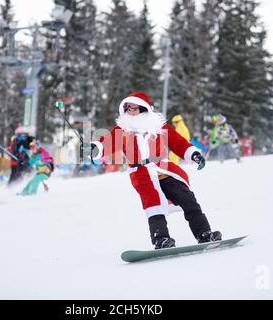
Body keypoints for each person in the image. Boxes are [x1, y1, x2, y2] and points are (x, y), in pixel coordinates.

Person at [89, 92, 222, 249]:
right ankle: (161, 239)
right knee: (153, 204)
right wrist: (95, 147)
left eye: (133, 108)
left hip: (163, 169)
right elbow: (107, 143)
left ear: (143, 108)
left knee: (187, 199)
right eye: (126, 108)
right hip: (141, 172)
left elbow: (178, 143)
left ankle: (204, 234)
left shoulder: (159, 127)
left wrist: (194, 154)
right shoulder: (122, 130)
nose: (130, 111)